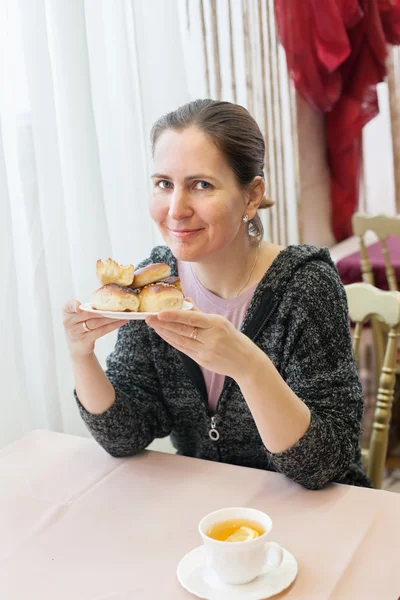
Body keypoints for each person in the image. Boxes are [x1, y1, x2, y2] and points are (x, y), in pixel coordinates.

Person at [63, 99, 370, 490]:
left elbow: (324, 466)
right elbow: (124, 436)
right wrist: (81, 354)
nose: (176, 209)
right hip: (211, 513)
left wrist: (249, 368)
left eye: (201, 185)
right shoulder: (157, 287)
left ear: (252, 196)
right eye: (164, 184)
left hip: (315, 512)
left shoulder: (304, 287)